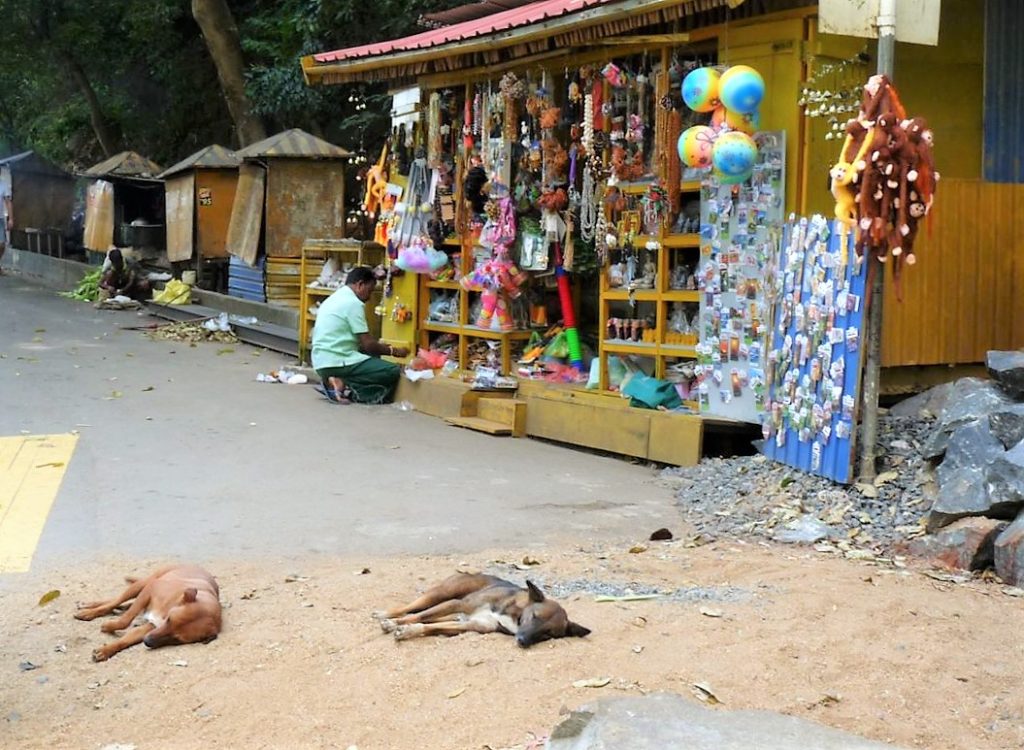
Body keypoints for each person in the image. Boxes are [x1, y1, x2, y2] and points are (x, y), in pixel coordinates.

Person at [311, 266, 409, 404]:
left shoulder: (334, 298)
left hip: (320, 360)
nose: (369, 297)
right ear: (360, 285)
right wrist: (394, 351)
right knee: (391, 370)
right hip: (337, 359)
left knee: (373, 358)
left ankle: (335, 380)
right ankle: (353, 390)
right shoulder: (353, 303)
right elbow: (369, 345)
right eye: (369, 291)